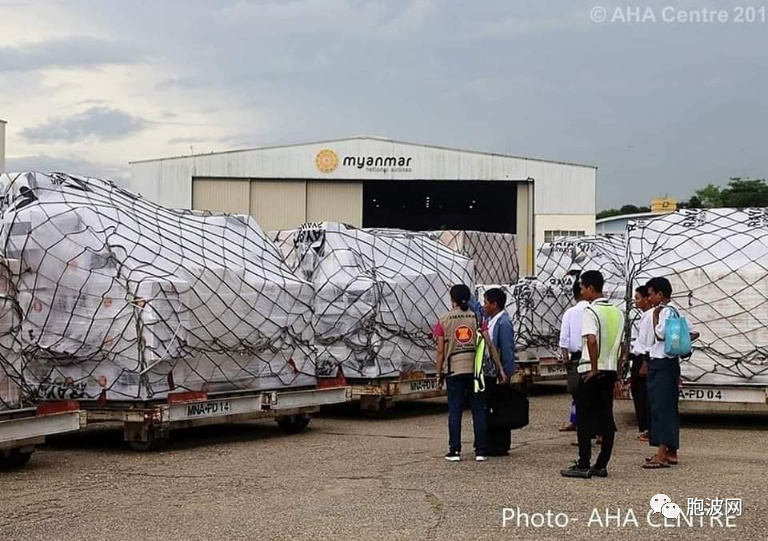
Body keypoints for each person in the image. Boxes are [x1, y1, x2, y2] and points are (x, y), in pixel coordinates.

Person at [561, 270, 625, 479]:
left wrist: (594, 367)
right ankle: (602, 464)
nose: (581, 292)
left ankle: (583, 463)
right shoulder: (617, 312)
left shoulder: (591, 311)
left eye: (582, 288)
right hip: (610, 369)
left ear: (590, 288)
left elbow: (591, 340)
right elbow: (622, 345)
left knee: (584, 417)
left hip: (591, 369)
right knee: (607, 418)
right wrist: (617, 371)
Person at [643, 277, 700, 469]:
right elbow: (694, 332)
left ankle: (661, 453)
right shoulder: (676, 310)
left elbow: (660, 334)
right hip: (671, 364)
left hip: (661, 362)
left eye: (650, 294)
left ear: (660, 294)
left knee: (660, 408)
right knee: (669, 406)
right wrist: (679, 343)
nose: (649, 298)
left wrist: (655, 316)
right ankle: (671, 451)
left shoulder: (664, 311)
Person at [435, 284, 494, 462]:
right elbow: (488, 343)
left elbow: (440, 352)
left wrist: (438, 374)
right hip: (475, 369)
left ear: (451, 299)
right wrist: (498, 367)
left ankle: (454, 450)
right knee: (478, 409)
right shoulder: (477, 318)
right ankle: (481, 451)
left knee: (455, 410)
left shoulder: (443, 320)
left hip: (454, 369)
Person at [481, 288, 515, 456]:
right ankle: (491, 442)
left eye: (486, 302)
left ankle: (500, 445)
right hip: (490, 372)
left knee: (500, 409)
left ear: (494, 304)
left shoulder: (503, 322)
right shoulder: (491, 320)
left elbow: (507, 349)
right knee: (492, 408)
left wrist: (507, 373)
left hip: (498, 373)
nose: (484, 306)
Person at [558, 278, 589, 433]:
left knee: (577, 393)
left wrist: (565, 358)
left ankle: (580, 424)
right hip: (592, 357)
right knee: (591, 394)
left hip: (576, 358)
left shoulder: (570, 313)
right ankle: (589, 426)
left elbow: (564, 339)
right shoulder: (593, 310)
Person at [628, 285, 653, 441]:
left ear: (646, 299)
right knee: (638, 395)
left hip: (643, 359)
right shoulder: (645, 315)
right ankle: (646, 428)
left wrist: (644, 363)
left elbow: (648, 342)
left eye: (637, 298)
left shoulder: (650, 316)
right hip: (638, 357)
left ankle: (650, 429)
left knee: (644, 396)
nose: (635, 301)